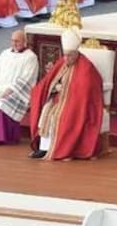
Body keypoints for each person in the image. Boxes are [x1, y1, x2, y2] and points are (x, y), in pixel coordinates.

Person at [28, 28, 104, 160]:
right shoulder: (63, 61)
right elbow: (48, 82)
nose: (66, 58)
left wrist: (67, 90)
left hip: (77, 102)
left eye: (69, 55)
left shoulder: (86, 67)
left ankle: (60, 148)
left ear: (76, 53)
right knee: (46, 111)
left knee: (57, 116)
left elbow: (86, 89)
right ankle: (44, 148)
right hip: (58, 98)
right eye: (65, 55)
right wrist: (53, 87)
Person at [0, 29, 39, 145]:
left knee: (2, 103)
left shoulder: (30, 57)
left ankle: (4, 137)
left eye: (17, 41)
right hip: (0, 88)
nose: (14, 43)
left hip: (17, 91)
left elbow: (27, 78)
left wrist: (11, 90)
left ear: (25, 42)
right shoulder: (4, 53)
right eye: (12, 41)